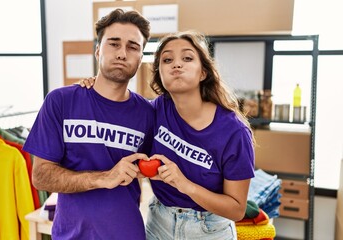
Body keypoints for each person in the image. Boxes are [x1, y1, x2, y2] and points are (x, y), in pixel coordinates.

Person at [80, 30, 255, 240]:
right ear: (160, 75)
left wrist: (185, 185)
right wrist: (94, 86)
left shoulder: (234, 131)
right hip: (159, 224)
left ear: (203, 73)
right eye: (167, 59)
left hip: (210, 230)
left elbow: (236, 210)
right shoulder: (154, 111)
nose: (176, 64)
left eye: (187, 58)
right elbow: (116, 106)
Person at [23, 9, 154, 239]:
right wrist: (105, 177)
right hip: (71, 234)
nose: (122, 53)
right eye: (114, 43)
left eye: (133, 47)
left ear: (140, 57)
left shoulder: (148, 112)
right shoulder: (61, 101)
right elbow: (41, 176)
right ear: (97, 50)